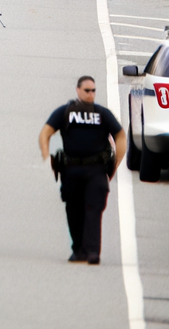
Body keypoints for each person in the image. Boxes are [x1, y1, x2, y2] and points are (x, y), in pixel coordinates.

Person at [39, 76, 127, 265]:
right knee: (74, 209)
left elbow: (120, 135)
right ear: (78, 90)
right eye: (87, 90)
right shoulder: (66, 112)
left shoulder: (102, 114)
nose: (91, 94)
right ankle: (78, 249)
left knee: (94, 209)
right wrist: (47, 159)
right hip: (71, 170)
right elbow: (45, 133)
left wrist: (116, 163)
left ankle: (93, 251)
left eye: (93, 90)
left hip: (95, 170)